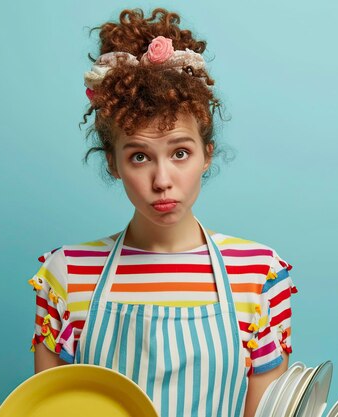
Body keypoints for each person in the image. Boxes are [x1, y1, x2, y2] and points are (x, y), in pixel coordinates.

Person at [27, 7, 297, 417]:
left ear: (207, 155)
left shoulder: (259, 274)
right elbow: (44, 410)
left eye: (180, 153)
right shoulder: (66, 275)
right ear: (113, 164)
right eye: (139, 157)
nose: (162, 179)